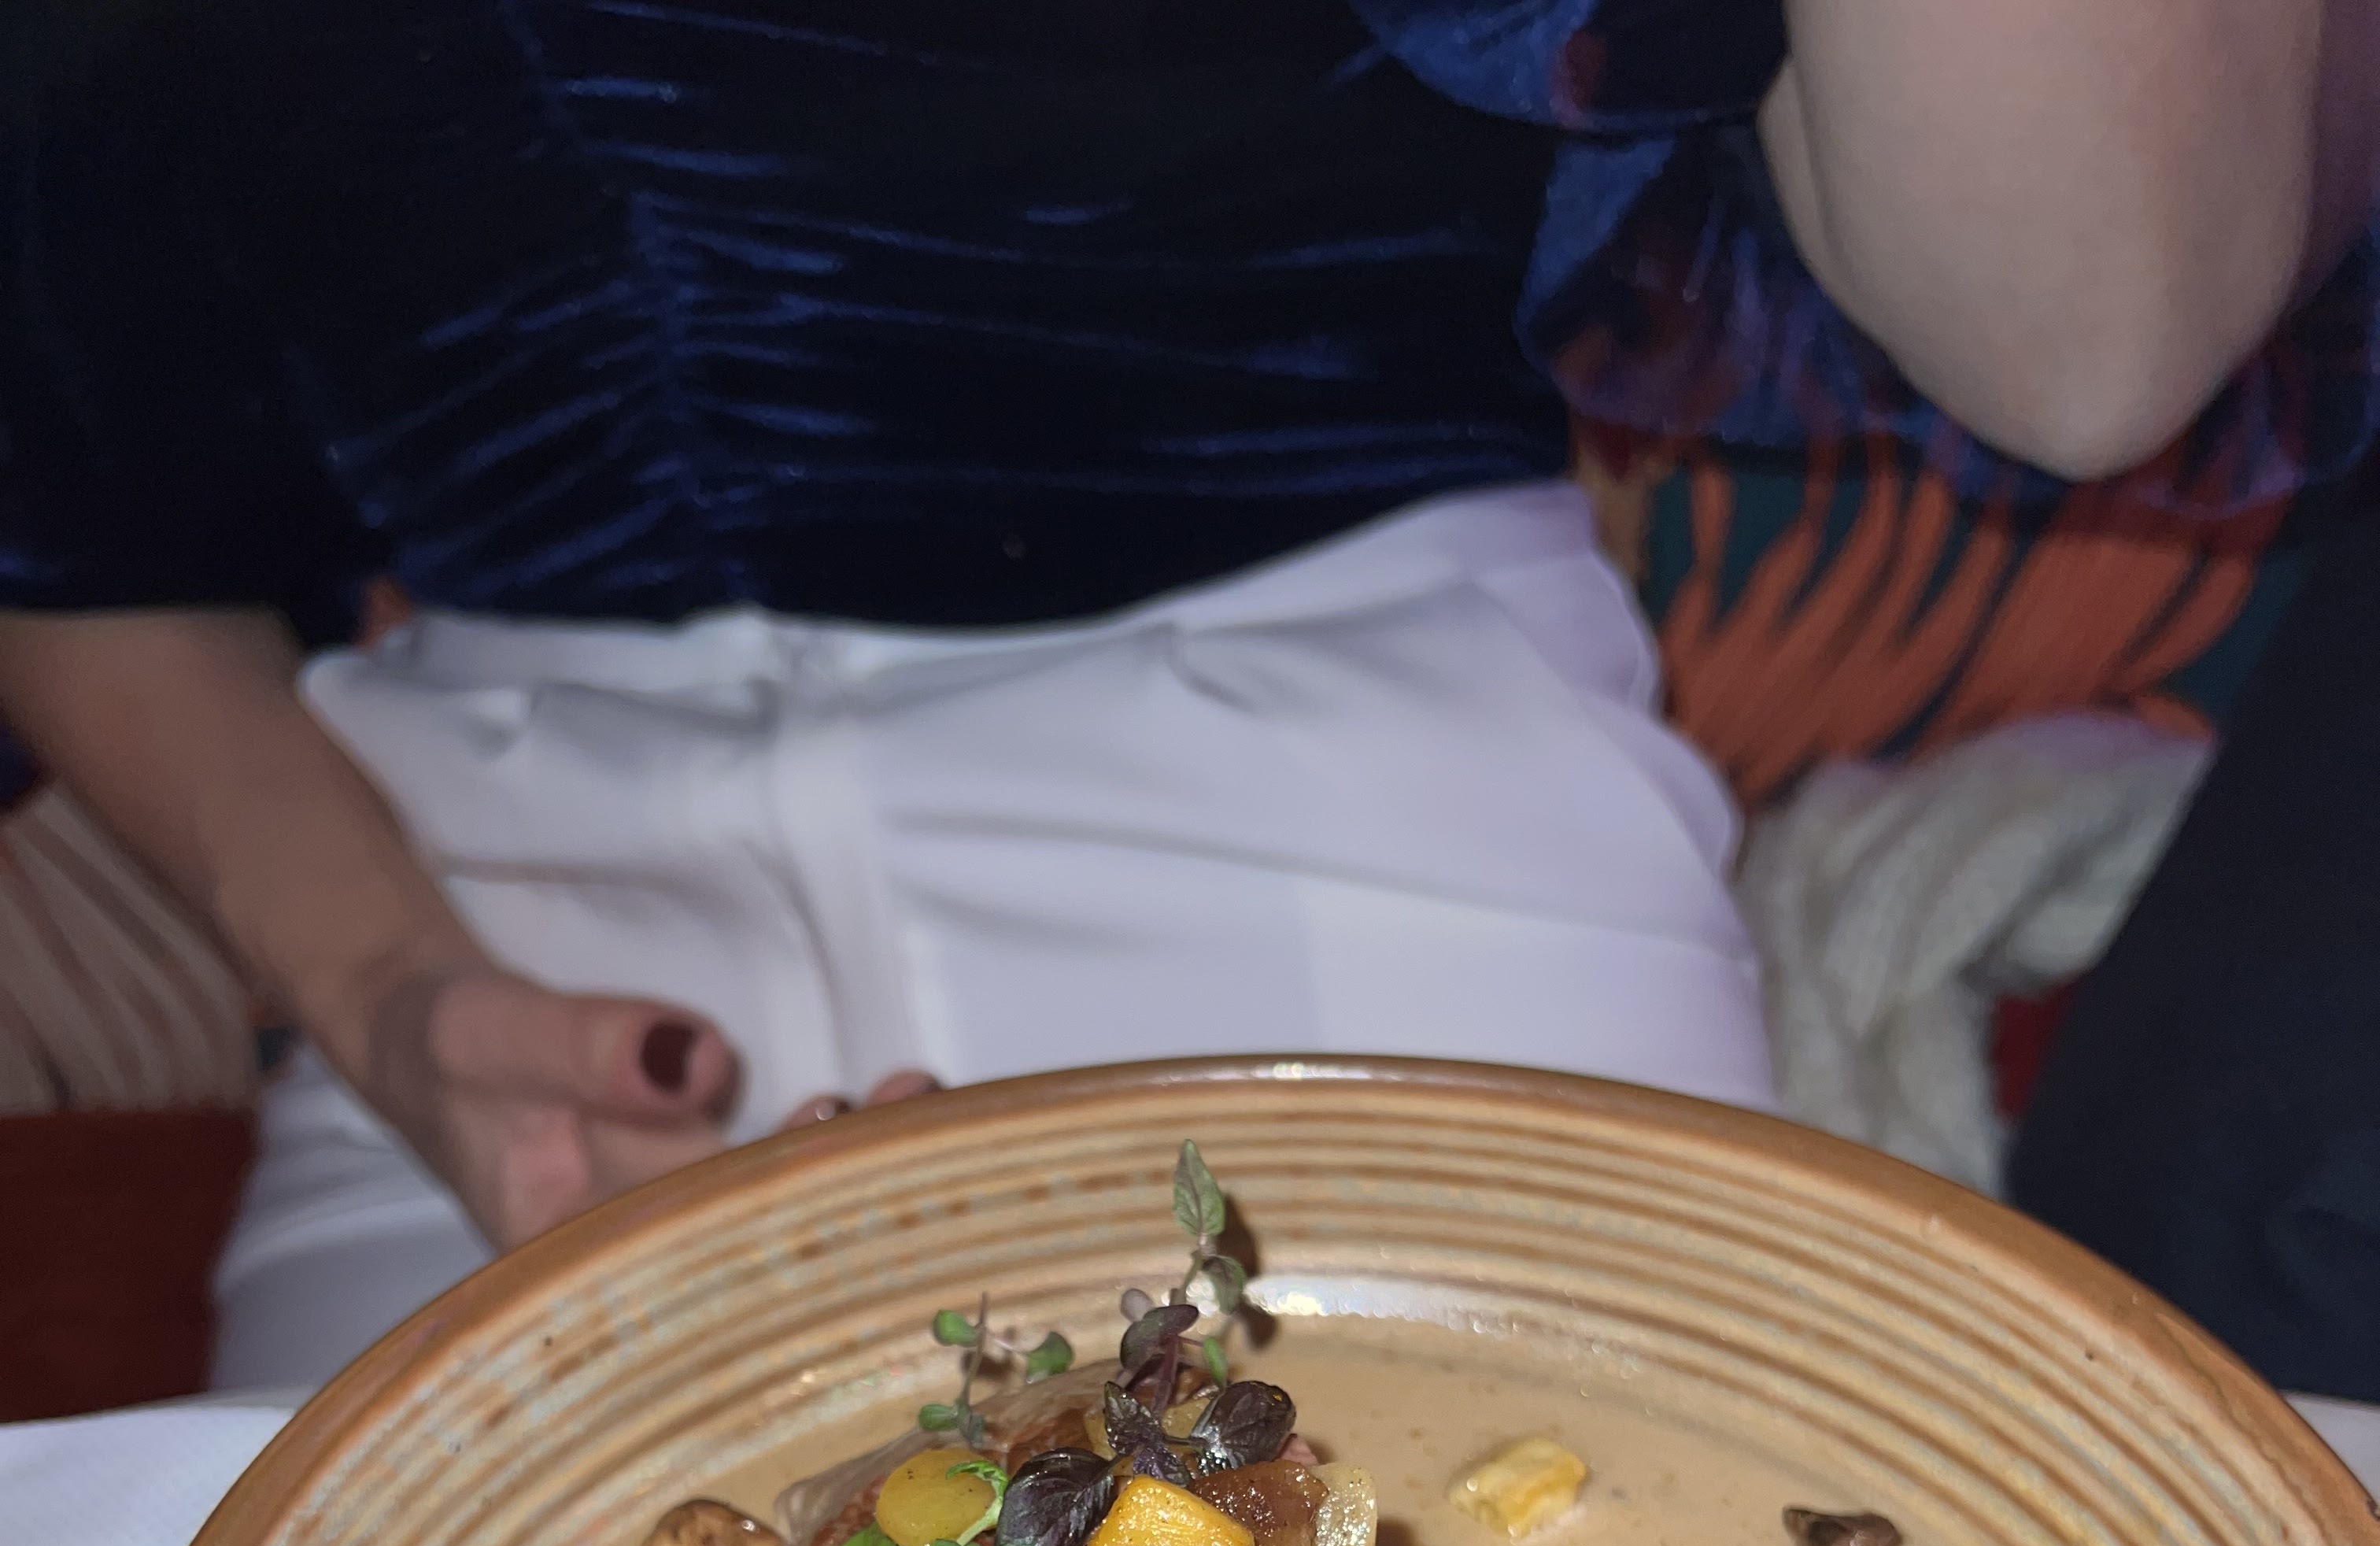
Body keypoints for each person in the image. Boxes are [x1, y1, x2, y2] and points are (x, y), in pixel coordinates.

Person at [0, 1, 2371, 1390]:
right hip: (483, 926)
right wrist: (389, 997)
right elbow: (79, 524)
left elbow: (2098, 320)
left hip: (1369, 798)